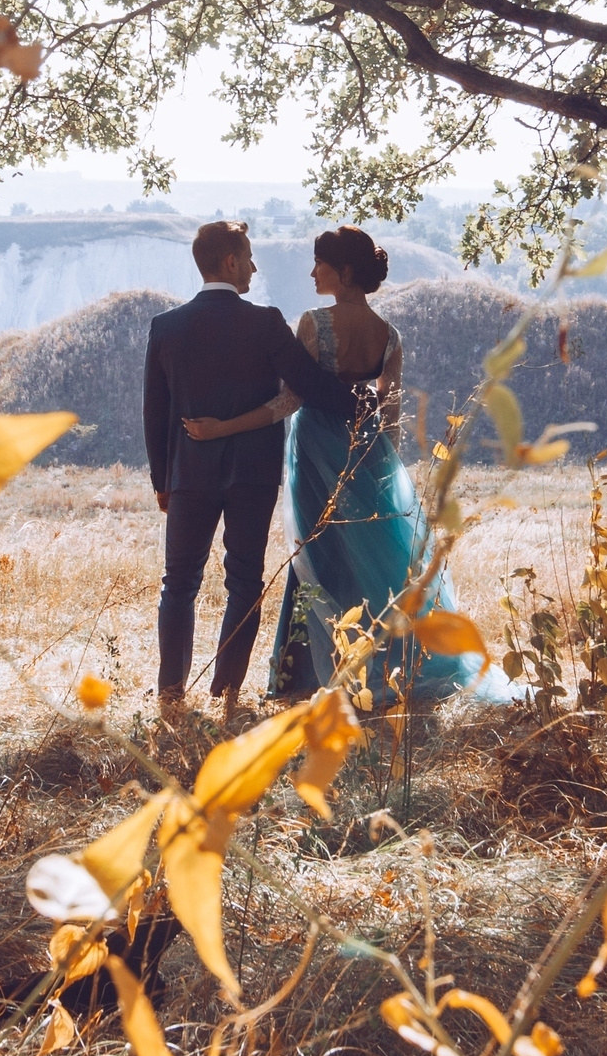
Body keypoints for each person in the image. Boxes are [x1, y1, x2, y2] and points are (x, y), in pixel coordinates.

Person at [179, 225, 498, 708]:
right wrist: (385, 473)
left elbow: (288, 400)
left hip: (316, 450)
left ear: (343, 272)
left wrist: (222, 428)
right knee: (371, 562)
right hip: (369, 453)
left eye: (320, 264)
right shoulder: (390, 337)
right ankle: (383, 671)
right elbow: (389, 420)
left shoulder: (315, 323)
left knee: (316, 555)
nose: (312, 272)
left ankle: (304, 678)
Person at [141, 220, 342, 716]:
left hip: (188, 473)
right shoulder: (266, 323)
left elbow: (155, 412)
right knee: (244, 580)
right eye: (249, 256)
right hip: (253, 475)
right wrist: (366, 393)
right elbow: (312, 386)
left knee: (179, 582)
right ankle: (228, 692)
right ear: (230, 262)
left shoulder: (166, 327)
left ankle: (171, 694)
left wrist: (162, 482)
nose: (254, 265)